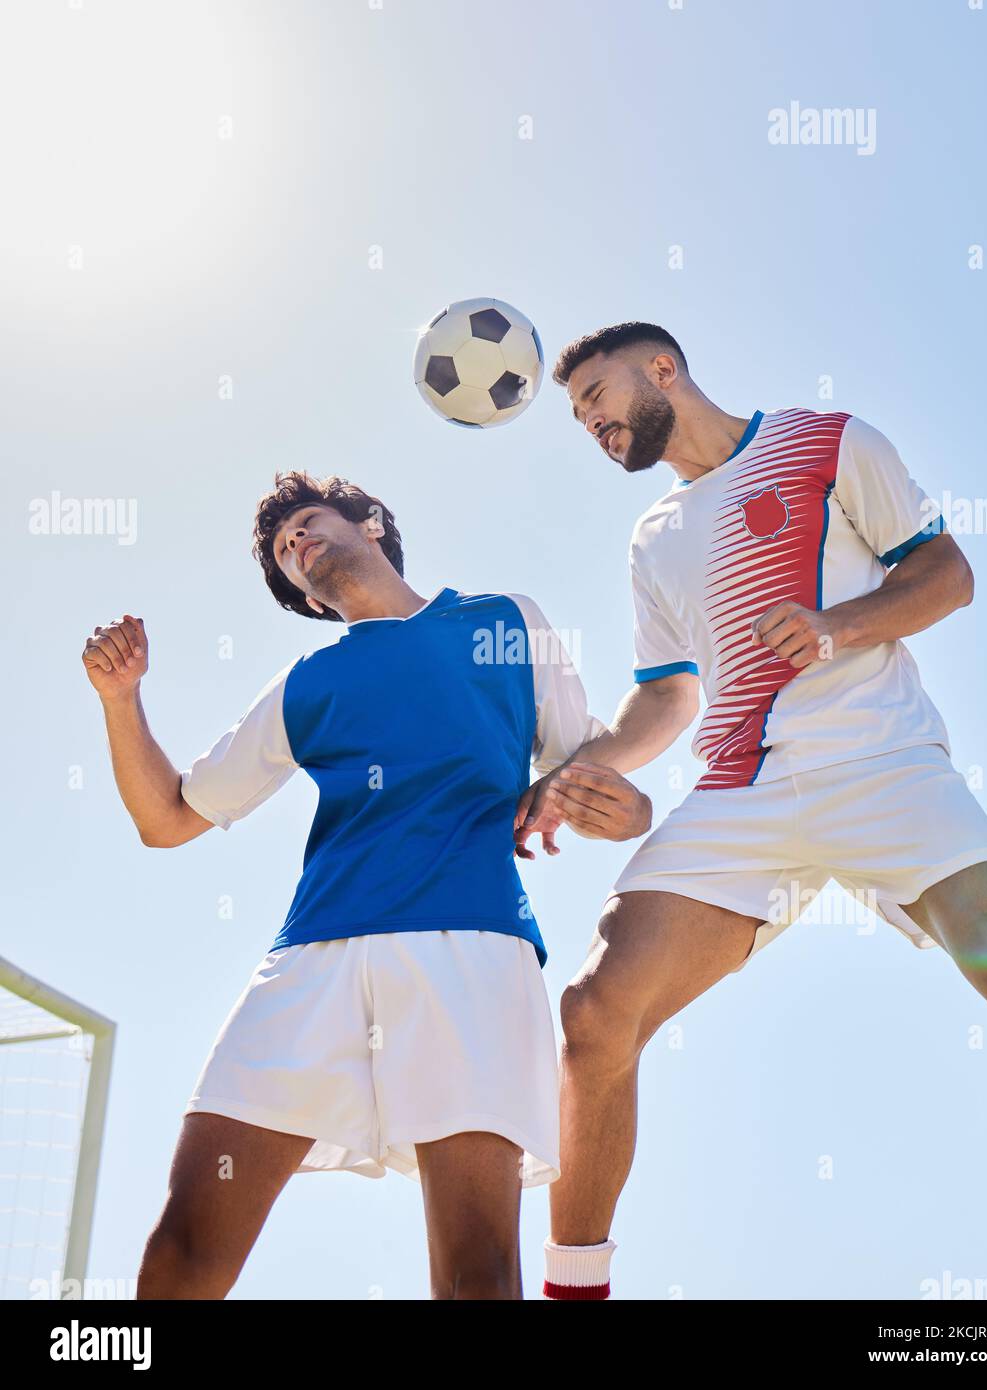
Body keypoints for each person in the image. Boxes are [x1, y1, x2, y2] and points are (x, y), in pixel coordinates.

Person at [517, 321, 987, 1301]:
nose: (590, 422)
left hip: (885, 762)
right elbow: (666, 698)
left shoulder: (829, 440)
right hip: (742, 792)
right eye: (580, 416)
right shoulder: (655, 538)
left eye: (595, 395)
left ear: (662, 369)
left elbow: (947, 574)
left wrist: (836, 627)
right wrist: (574, 774)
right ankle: (573, 1290)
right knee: (596, 1012)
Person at [81, 470, 645, 1300]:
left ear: (371, 524)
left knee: (478, 1273)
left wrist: (626, 812)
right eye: (283, 551)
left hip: (471, 949)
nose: (296, 545)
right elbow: (167, 820)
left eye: (305, 525)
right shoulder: (305, 684)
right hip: (312, 962)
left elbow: (594, 766)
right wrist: (120, 699)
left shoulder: (504, 622)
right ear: (305, 599)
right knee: (183, 1252)